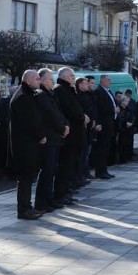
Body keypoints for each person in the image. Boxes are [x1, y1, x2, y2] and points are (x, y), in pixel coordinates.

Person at [10, 69, 46, 220]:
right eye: (37, 79)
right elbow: (30, 121)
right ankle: (23, 209)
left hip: (29, 143)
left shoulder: (28, 94)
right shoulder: (23, 97)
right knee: (25, 178)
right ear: (28, 80)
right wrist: (41, 135)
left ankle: (27, 207)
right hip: (25, 145)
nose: (39, 81)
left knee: (28, 177)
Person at [34, 69, 68, 212]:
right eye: (50, 79)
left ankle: (49, 199)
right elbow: (50, 115)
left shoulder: (50, 94)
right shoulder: (41, 95)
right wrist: (62, 128)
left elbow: (59, 112)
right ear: (42, 80)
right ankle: (42, 203)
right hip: (49, 138)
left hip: (56, 137)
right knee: (47, 171)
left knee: (51, 170)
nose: (53, 82)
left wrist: (66, 125)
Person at [55, 67, 87, 200]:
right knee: (65, 164)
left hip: (76, 133)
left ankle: (67, 190)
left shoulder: (69, 89)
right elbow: (68, 110)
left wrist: (83, 116)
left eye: (73, 76)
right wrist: (81, 117)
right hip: (69, 134)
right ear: (63, 76)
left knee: (71, 164)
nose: (73, 78)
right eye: (71, 76)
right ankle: (61, 193)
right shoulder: (60, 90)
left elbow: (76, 107)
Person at [92, 74, 117, 179]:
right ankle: (99, 172)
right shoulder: (99, 92)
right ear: (102, 81)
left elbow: (113, 104)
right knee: (101, 150)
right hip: (103, 125)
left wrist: (116, 108)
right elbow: (100, 108)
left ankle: (104, 170)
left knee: (106, 149)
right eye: (108, 80)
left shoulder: (108, 91)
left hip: (110, 124)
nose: (110, 82)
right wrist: (113, 110)